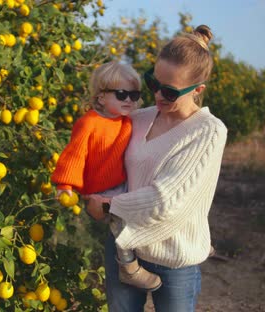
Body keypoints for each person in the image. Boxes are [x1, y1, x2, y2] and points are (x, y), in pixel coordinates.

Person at [85, 25, 228, 312]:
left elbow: (166, 200)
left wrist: (109, 205)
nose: (157, 96)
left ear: (197, 90)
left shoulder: (208, 132)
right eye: (153, 83)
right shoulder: (138, 118)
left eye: (170, 92)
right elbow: (113, 166)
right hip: (123, 248)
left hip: (175, 259)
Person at [51, 61, 162, 291]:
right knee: (120, 225)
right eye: (122, 94)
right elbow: (75, 153)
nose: (129, 101)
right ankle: (128, 268)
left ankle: (180, 243)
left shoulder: (127, 121)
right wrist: (65, 183)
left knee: (146, 208)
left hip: (123, 184)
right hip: (101, 190)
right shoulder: (89, 123)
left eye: (134, 95)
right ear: (101, 97)